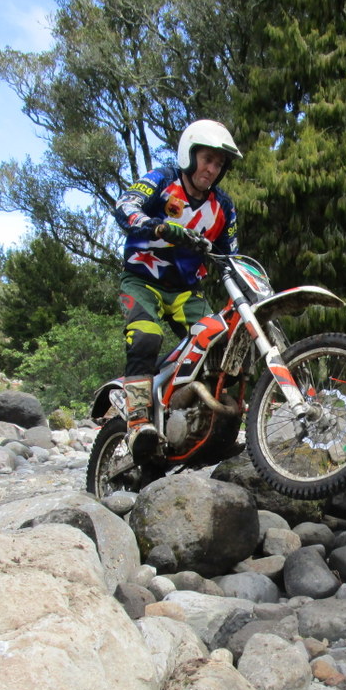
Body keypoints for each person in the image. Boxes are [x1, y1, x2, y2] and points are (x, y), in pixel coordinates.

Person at [111, 119, 241, 458]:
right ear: (189, 154)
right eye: (207, 159)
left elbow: (231, 255)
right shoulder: (162, 179)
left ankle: (200, 423)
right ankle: (138, 423)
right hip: (141, 281)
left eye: (219, 164)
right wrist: (155, 226)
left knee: (223, 344)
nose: (211, 169)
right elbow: (125, 206)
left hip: (186, 291)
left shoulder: (223, 207)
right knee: (145, 336)